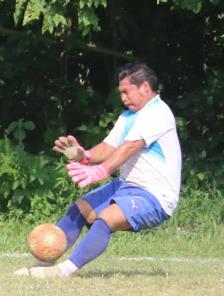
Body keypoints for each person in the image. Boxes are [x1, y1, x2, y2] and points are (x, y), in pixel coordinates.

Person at [15, 63, 181, 278]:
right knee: (79, 210)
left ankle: (64, 271)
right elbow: (109, 147)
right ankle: (46, 264)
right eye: (120, 92)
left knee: (106, 218)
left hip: (154, 196)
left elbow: (130, 147)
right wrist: (85, 156)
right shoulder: (128, 117)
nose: (123, 97)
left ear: (145, 88)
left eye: (126, 91)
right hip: (125, 185)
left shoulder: (158, 113)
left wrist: (101, 170)